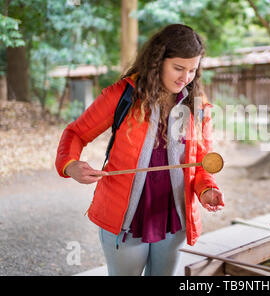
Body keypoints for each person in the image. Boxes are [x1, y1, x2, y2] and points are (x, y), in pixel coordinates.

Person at [55, 24, 225, 276]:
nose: (185, 77)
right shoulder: (122, 94)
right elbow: (76, 133)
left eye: (192, 70)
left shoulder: (198, 106)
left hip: (172, 216)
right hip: (125, 218)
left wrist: (207, 189)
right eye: (178, 68)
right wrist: (70, 165)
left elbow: (201, 164)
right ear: (158, 61)